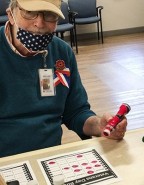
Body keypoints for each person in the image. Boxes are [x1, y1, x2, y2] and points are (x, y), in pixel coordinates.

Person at [0, 0, 127, 158]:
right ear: (11, 15)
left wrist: (100, 126)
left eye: (49, 15)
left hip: (50, 156)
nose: (39, 23)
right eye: (30, 13)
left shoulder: (62, 52)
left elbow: (76, 112)